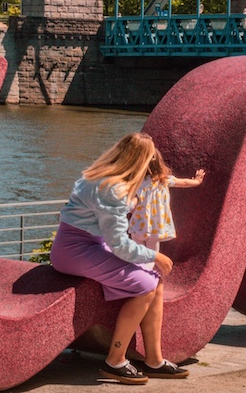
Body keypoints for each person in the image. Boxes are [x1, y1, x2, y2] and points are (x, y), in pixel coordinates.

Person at [50, 133, 189, 384]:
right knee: (145, 284)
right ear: (140, 161)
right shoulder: (112, 189)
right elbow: (119, 244)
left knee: (155, 281)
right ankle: (115, 360)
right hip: (76, 250)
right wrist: (155, 254)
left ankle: (154, 360)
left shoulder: (97, 176)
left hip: (79, 246)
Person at [128, 148, 205, 269]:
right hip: (155, 226)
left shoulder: (136, 182)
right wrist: (197, 181)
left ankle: (136, 270)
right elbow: (184, 183)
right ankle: (146, 273)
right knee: (152, 254)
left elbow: (132, 202)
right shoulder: (164, 180)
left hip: (138, 224)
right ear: (159, 164)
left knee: (137, 251)